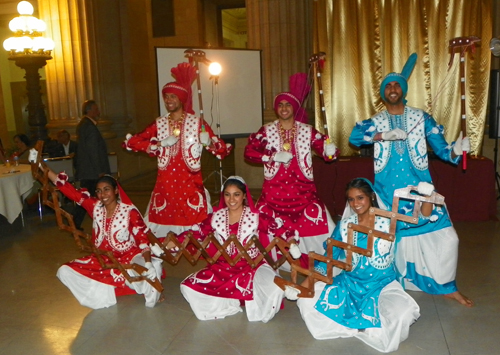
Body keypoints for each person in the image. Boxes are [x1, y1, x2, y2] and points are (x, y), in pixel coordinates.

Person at [349, 53, 473, 307]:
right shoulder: (376, 121)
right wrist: (383, 135)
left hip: (421, 194)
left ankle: (446, 286)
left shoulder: (421, 117)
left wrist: (457, 150)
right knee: (389, 246)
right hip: (386, 196)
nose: (392, 89)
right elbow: (354, 136)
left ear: (403, 90)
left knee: (449, 239)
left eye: (397, 85)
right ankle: (391, 285)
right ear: (384, 93)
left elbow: (442, 150)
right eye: (388, 86)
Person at [294, 178, 421, 353]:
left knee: (402, 312)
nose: (355, 203)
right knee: (306, 301)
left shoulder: (389, 221)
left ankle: (365, 324)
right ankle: (353, 326)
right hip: (349, 284)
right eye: (351, 199)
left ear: (371, 196)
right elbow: (328, 259)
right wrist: (303, 286)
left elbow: (423, 218)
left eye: (360, 197)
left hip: (382, 284)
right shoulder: (345, 225)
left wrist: (426, 196)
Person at [123, 62, 232, 237]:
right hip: (165, 186)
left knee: (195, 229)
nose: (169, 100)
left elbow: (222, 151)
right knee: (161, 229)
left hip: (190, 185)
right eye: (166, 97)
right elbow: (131, 142)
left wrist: (208, 143)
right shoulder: (159, 123)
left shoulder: (197, 123)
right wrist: (159, 144)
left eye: (173, 97)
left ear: (181, 99)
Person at [244, 72, 339, 266]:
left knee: (321, 218)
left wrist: (330, 150)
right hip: (273, 195)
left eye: (288, 105)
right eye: (280, 104)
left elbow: (328, 155)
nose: (284, 108)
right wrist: (271, 156)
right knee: (258, 219)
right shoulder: (266, 131)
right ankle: (268, 264)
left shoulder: (307, 130)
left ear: (294, 108)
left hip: (304, 194)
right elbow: (248, 152)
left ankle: (322, 263)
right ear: (276, 108)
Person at [42, 165, 162, 309]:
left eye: (106, 189)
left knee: (154, 266)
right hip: (102, 259)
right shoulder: (95, 207)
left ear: (116, 191)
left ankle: (142, 287)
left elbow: (142, 240)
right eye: (98, 191)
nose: (102, 194)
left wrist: (148, 263)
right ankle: (105, 293)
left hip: (129, 257)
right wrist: (43, 169)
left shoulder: (129, 212)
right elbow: (71, 192)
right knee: (64, 270)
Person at [173, 176, 289, 322]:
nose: (231, 199)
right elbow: (196, 233)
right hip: (222, 268)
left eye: (236, 194)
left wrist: (292, 243)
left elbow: (281, 230)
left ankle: (242, 298)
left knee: (275, 288)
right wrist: (174, 242)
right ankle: (229, 303)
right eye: (227, 194)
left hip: (252, 268)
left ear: (244, 196)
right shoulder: (215, 217)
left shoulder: (255, 217)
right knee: (188, 287)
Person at [74, 100, 111, 230]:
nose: (98, 112)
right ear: (89, 111)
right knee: (89, 197)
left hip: (88, 170)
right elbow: (93, 151)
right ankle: (74, 222)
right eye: (96, 110)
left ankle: (76, 222)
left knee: (87, 197)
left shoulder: (84, 125)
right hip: (92, 171)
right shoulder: (89, 126)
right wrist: (100, 170)